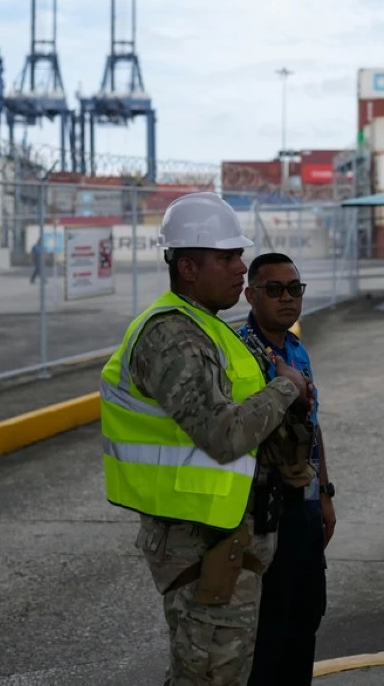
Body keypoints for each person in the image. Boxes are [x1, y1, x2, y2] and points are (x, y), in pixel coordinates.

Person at [98, 192, 315, 685]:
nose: (241, 268)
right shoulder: (173, 336)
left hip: (222, 537)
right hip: (198, 544)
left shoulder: (206, 329)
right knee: (211, 677)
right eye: (227, 258)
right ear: (189, 268)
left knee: (221, 672)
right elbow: (223, 435)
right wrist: (286, 387)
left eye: (239, 256)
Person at [239, 252, 336, 685]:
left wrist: (326, 494)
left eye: (294, 289)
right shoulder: (239, 354)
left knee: (306, 616)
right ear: (251, 295)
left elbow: (313, 426)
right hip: (264, 513)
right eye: (274, 290)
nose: (287, 298)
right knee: (268, 632)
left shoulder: (295, 349)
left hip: (306, 508)